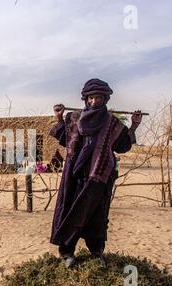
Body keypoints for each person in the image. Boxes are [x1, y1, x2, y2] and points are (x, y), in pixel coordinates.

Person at [49, 79, 142, 268]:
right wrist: (59, 119)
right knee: (70, 210)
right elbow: (65, 140)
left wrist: (133, 126)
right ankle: (67, 253)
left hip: (99, 175)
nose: (94, 102)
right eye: (91, 98)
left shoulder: (112, 123)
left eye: (98, 98)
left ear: (105, 99)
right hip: (75, 175)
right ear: (85, 98)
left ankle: (96, 252)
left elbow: (123, 146)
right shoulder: (74, 118)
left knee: (98, 214)